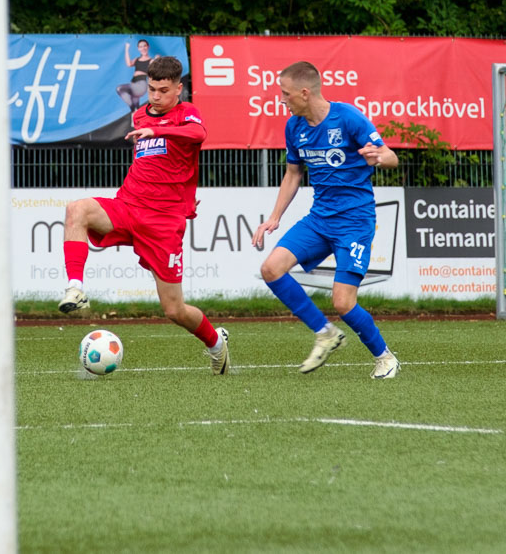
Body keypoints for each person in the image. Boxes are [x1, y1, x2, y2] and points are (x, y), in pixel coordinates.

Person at [58, 56, 230, 375]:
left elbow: (198, 136)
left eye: (163, 90)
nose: (155, 96)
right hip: (128, 205)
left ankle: (216, 343)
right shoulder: (140, 115)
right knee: (76, 209)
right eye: (151, 89)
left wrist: (160, 133)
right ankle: (75, 288)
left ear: (179, 89)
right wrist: (151, 130)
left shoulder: (187, 113)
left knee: (174, 310)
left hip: (163, 223)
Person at [251, 61, 400, 379]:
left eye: (285, 94)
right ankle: (325, 333)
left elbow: (390, 156)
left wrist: (379, 156)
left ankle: (385, 357)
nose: (282, 100)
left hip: (355, 221)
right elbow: (293, 173)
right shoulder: (294, 127)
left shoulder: (347, 117)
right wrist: (274, 218)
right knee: (271, 269)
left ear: (304, 93)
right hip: (319, 219)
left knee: (343, 302)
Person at [115, 39, 157, 111]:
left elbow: (155, 70)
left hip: (141, 84)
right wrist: (127, 49)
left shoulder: (152, 60)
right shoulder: (137, 59)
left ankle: (132, 107)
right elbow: (129, 64)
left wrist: (157, 59)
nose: (143, 48)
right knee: (136, 108)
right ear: (138, 48)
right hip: (133, 82)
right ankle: (134, 111)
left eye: (144, 46)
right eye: (140, 47)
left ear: (148, 47)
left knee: (120, 88)